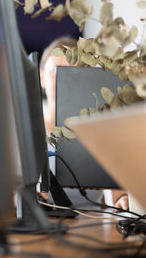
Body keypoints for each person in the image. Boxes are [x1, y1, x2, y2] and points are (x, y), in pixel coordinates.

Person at [39, 36, 128, 210]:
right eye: (56, 71)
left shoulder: (98, 130)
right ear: (42, 78)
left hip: (91, 225)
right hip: (43, 223)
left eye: (73, 72)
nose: (65, 80)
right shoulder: (26, 130)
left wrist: (122, 198)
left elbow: (117, 187)